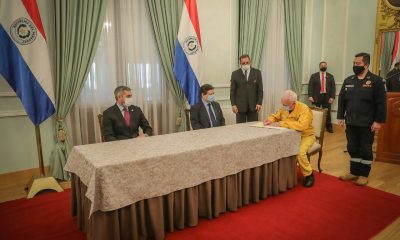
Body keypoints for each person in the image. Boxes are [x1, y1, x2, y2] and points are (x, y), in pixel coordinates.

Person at [337, 52, 386, 186]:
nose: (355, 66)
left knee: (365, 149)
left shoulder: (376, 81)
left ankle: (363, 174)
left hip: (367, 123)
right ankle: (354, 173)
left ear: (366, 64)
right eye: (354, 63)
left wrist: (378, 121)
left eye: (358, 64)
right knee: (352, 147)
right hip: (351, 121)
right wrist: (340, 117)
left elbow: (381, 103)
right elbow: (342, 100)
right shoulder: (349, 80)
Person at [264, 90, 315, 188]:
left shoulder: (304, 109)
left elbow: (302, 126)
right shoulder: (284, 107)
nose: (284, 106)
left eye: (286, 105)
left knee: (300, 152)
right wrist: (269, 120)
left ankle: (309, 175)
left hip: (305, 136)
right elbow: (275, 116)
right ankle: (284, 175)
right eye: (283, 104)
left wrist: (282, 123)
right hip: (288, 136)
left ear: (294, 103)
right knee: (275, 148)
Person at [230, 54, 263, 123]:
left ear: (250, 62)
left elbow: (260, 90)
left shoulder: (257, 72)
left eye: (247, 63)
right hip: (240, 107)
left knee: (253, 128)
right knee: (240, 128)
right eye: (243, 63)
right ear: (240, 64)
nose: (245, 64)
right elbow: (232, 91)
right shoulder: (235, 74)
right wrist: (233, 105)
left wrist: (259, 103)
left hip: (253, 106)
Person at [308, 61, 336, 133]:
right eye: (322, 65)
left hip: (327, 97)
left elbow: (333, 87)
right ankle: (314, 127)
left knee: (327, 112)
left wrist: (332, 97)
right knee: (316, 112)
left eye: (325, 65)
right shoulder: (314, 76)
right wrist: (310, 96)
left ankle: (328, 127)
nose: (323, 66)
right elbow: (310, 86)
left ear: (326, 67)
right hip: (316, 96)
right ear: (319, 66)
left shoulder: (330, 76)